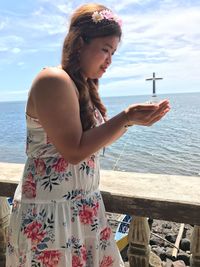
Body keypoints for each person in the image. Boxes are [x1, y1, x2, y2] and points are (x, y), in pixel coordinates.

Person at [6, 3, 170, 267]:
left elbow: (92, 144)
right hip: (51, 213)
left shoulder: (81, 87)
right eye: (105, 50)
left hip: (82, 209)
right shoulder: (53, 80)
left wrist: (131, 123)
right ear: (80, 43)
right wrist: (125, 117)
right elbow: (74, 151)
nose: (110, 60)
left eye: (113, 52)